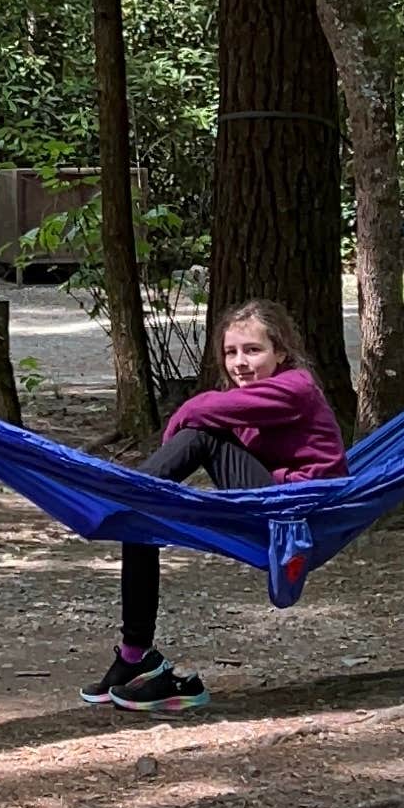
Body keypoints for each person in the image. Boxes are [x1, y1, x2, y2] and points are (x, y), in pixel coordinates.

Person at [96, 299, 341, 709]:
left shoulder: (296, 387)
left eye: (253, 350)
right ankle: (136, 655)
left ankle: (124, 491)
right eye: (231, 352)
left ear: (280, 353)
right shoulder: (250, 398)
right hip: (267, 501)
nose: (240, 363)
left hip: (297, 513)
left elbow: (200, 410)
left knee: (202, 435)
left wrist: (183, 421)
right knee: (139, 523)